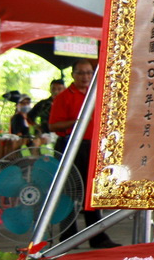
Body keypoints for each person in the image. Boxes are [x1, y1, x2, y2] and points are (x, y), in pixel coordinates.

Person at [49, 60, 119, 248]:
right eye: (81, 73)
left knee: (93, 191)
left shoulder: (98, 94)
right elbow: (53, 126)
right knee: (69, 192)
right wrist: (77, 121)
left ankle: (98, 237)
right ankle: (68, 238)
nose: (85, 77)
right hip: (71, 146)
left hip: (94, 147)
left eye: (89, 73)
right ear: (73, 75)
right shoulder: (63, 97)